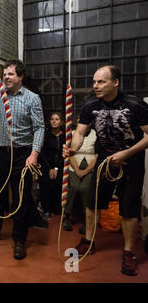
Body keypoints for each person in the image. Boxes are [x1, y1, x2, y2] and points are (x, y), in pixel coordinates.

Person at [63, 65, 148, 276]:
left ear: (115, 82)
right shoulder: (90, 106)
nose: (95, 86)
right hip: (104, 162)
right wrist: (74, 147)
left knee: (128, 208)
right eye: (94, 82)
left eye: (101, 82)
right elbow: (81, 132)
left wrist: (126, 154)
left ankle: (129, 252)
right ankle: (89, 241)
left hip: (131, 163)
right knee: (92, 203)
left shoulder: (135, 105)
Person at [0, 59, 46, 260]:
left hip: (23, 155)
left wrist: (34, 154)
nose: (6, 77)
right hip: (0, 153)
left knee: (21, 199)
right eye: (5, 73)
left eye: (11, 74)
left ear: (21, 76)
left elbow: (40, 127)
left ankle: (19, 239)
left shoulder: (32, 98)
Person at [63, 118, 97, 233]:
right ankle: (66, 217)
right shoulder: (72, 134)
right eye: (79, 122)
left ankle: (86, 220)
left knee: (85, 189)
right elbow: (70, 154)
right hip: (74, 166)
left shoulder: (96, 135)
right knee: (73, 188)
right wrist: (77, 170)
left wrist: (86, 170)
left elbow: (97, 156)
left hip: (90, 167)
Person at [39, 112, 66, 218]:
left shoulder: (65, 136)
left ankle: (57, 207)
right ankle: (46, 209)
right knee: (45, 183)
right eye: (52, 119)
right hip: (46, 165)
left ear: (61, 122)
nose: (54, 121)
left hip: (60, 165)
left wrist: (56, 168)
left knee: (58, 183)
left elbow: (64, 154)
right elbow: (41, 153)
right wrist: (50, 168)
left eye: (57, 119)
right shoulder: (45, 135)